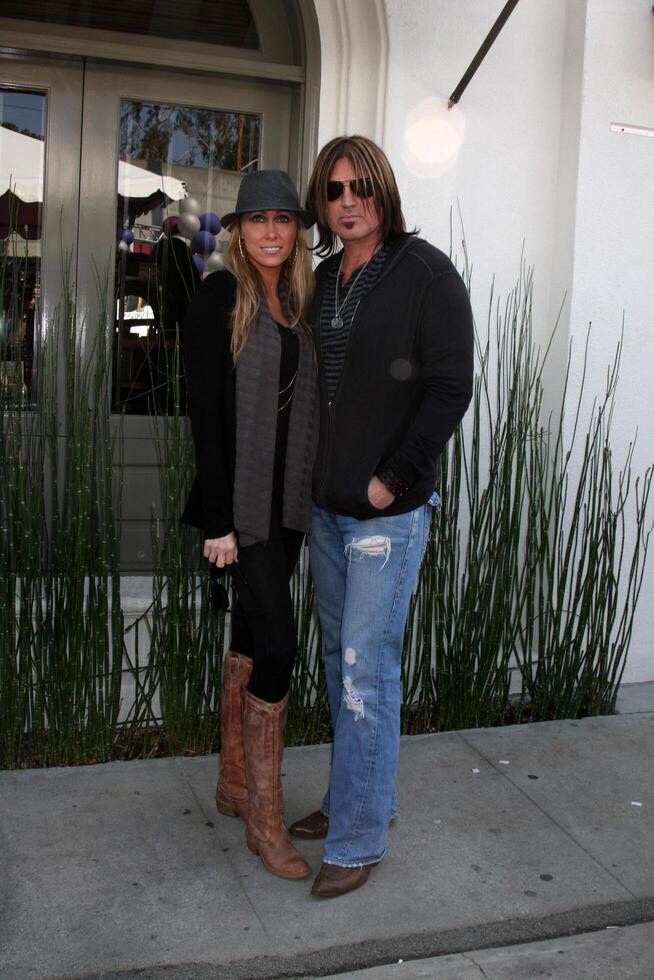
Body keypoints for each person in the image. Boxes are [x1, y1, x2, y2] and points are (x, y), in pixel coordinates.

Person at [289, 136, 474, 898]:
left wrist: (390, 479)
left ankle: (360, 839)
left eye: (361, 186)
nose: (348, 202)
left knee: (368, 669)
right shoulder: (325, 277)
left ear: (384, 190)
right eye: (334, 191)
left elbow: (448, 387)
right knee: (342, 663)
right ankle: (353, 801)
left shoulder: (427, 273)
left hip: (383, 518)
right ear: (321, 203)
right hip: (328, 514)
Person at [182, 170, 317, 881]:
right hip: (242, 509)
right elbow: (204, 413)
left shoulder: (297, 298)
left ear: (297, 230)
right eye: (258, 219)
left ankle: (234, 783)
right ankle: (265, 815)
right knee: (279, 648)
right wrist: (220, 521)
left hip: (287, 503)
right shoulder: (218, 296)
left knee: (246, 637)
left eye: (284, 219)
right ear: (238, 228)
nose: (271, 231)